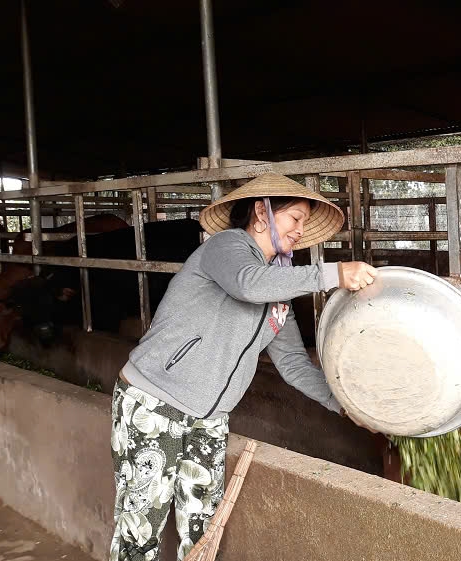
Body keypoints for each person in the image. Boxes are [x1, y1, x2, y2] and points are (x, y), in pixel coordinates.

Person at [108, 172, 377, 561]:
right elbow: (248, 284)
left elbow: (294, 366)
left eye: (304, 222)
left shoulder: (279, 295)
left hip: (210, 418)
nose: (300, 230)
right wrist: (334, 273)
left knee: (203, 530)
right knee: (140, 530)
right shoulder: (226, 247)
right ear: (260, 212)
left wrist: (346, 407)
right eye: (294, 218)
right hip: (154, 402)